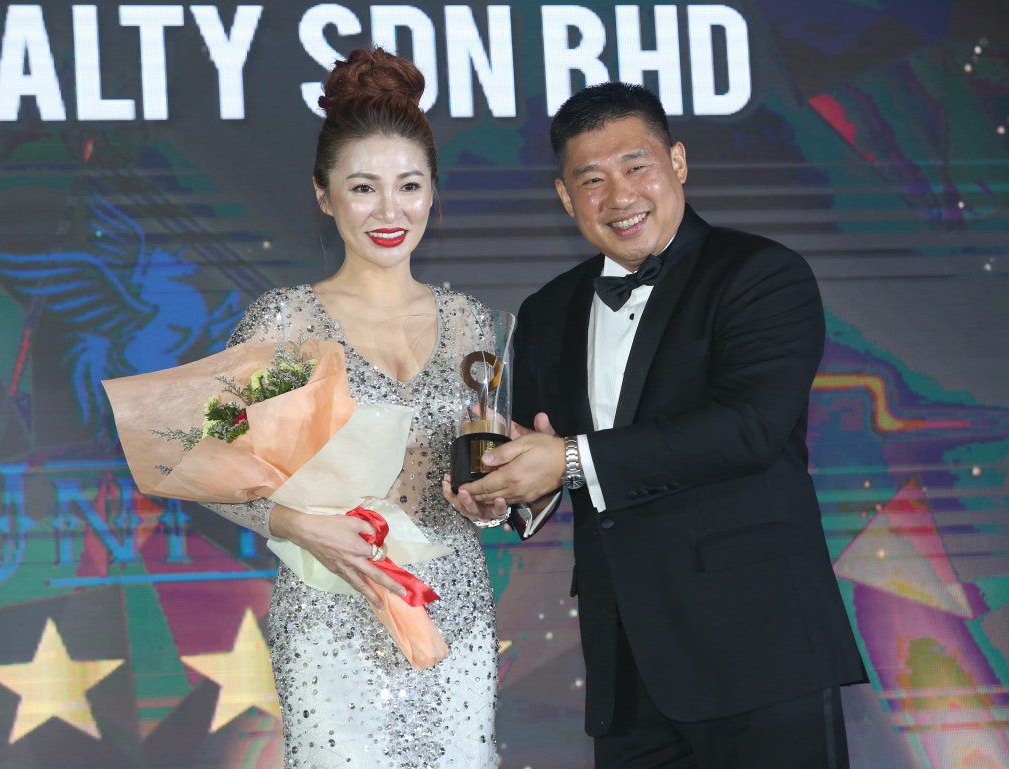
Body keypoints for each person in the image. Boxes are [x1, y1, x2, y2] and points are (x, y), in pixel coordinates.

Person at [452, 82, 867, 768]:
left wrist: (570, 462)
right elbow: (539, 448)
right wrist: (502, 491)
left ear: (677, 162)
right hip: (626, 668)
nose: (619, 196)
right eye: (592, 178)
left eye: (635, 166)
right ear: (564, 196)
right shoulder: (548, 309)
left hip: (760, 654)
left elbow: (748, 427)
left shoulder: (761, 273)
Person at [204, 48, 498, 768]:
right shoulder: (286, 321)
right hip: (330, 610)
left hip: (450, 604)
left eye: (408, 185)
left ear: (433, 193)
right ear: (324, 194)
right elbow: (200, 461)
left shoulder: (472, 324)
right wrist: (304, 526)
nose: (389, 210)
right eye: (363, 187)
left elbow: (473, 466)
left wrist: (492, 496)